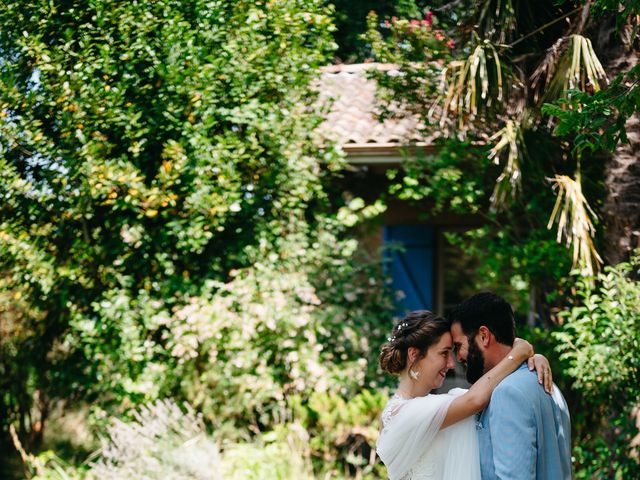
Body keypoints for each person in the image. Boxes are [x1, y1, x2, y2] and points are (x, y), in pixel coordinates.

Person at [376, 310, 551, 480]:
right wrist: (518, 354)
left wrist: (529, 364)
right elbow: (475, 399)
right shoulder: (402, 414)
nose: (452, 363)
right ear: (414, 355)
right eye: (444, 353)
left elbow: (483, 391)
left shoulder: (445, 404)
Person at [449, 292, 572, 480]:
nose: (457, 357)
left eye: (459, 346)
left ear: (484, 336)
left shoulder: (507, 393)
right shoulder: (550, 385)